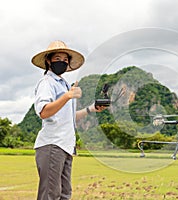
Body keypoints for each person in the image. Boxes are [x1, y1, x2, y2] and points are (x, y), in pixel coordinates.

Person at [31, 40, 105, 200]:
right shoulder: (47, 83)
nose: (62, 62)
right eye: (58, 59)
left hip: (65, 146)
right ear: (48, 60)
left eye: (65, 60)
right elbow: (43, 112)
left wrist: (91, 108)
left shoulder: (64, 84)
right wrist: (67, 96)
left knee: (65, 194)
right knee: (50, 195)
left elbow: (68, 118)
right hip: (52, 145)